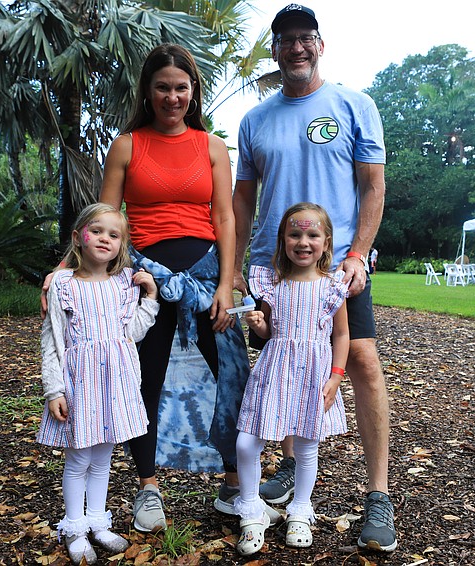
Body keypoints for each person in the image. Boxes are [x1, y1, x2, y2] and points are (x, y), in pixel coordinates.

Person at [231, 4, 396, 553]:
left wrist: (358, 254)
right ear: (275, 50)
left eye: (306, 38)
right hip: (273, 266)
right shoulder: (255, 120)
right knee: (284, 361)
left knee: (362, 360)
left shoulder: (354, 104)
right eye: (286, 40)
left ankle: (378, 495)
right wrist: (236, 269)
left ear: (320, 44)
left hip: (336, 266)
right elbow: (243, 199)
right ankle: (287, 466)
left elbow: (373, 186)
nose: (297, 47)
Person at [97, 44, 265, 533]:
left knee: (231, 374)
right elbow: (105, 220)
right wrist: (68, 270)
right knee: (143, 378)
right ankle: (148, 487)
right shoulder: (127, 145)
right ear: (147, 93)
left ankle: (234, 485)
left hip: (207, 277)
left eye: (181, 88)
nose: (172, 97)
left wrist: (227, 284)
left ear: (193, 92)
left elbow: (225, 218)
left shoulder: (211, 146)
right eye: (162, 88)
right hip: (146, 279)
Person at [37, 203, 160, 565]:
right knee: (79, 459)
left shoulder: (124, 283)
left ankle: (97, 521)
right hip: (80, 382)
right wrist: (54, 390)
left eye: (114, 234)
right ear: (79, 237)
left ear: (122, 244)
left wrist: (151, 298)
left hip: (115, 383)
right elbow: (51, 340)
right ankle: (75, 529)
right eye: (97, 231)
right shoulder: (63, 284)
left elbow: (132, 332)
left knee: (104, 457)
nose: (105, 238)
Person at [234, 203, 349, 555]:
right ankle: (251, 510)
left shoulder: (332, 287)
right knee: (246, 443)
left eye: (312, 235)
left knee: (306, 447)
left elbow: (341, 335)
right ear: (283, 240)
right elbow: (270, 332)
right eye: (295, 234)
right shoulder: (273, 285)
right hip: (274, 373)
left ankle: (299, 511)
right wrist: (259, 325)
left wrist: (336, 377)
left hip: (314, 375)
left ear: (326, 242)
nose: (303, 241)